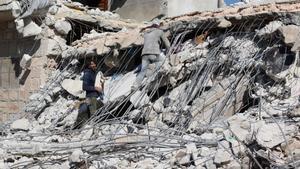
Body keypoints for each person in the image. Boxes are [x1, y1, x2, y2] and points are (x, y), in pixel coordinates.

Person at [134, 20, 171, 88]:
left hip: (144, 55)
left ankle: (135, 85)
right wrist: (169, 52)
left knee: (143, 71)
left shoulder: (146, 33)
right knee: (162, 61)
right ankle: (162, 72)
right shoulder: (160, 31)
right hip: (154, 53)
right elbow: (167, 44)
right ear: (158, 25)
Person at [75, 60, 104, 128]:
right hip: (91, 97)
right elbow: (84, 87)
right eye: (92, 64)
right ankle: (91, 128)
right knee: (93, 114)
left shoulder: (93, 73)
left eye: (95, 64)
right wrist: (95, 88)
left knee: (95, 112)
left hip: (95, 96)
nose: (94, 65)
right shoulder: (87, 73)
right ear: (88, 65)